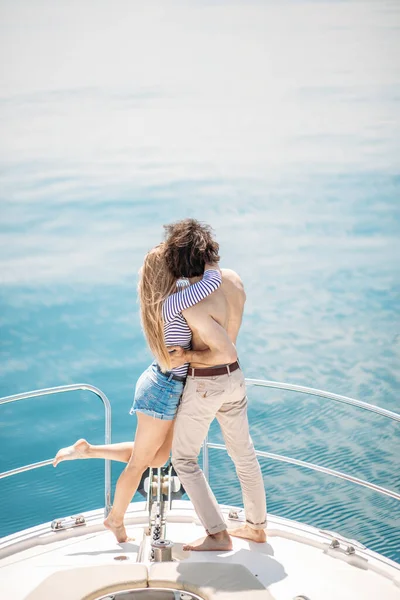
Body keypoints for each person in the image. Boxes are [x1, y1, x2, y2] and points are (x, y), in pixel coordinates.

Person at [53, 240, 236, 543]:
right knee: (141, 462)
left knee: (156, 457)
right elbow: (213, 280)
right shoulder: (173, 302)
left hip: (164, 385)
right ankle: (115, 519)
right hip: (162, 389)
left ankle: (87, 450)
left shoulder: (161, 299)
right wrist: (208, 257)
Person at [164, 219, 267, 551]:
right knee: (243, 454)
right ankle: (256, 527)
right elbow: (231, 345)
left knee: (183, 459)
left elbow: (222, 351)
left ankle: (217, 534)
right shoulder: (233, 279)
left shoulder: (190, 303)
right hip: (236, 379)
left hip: (208, 383)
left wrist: (186, 355)